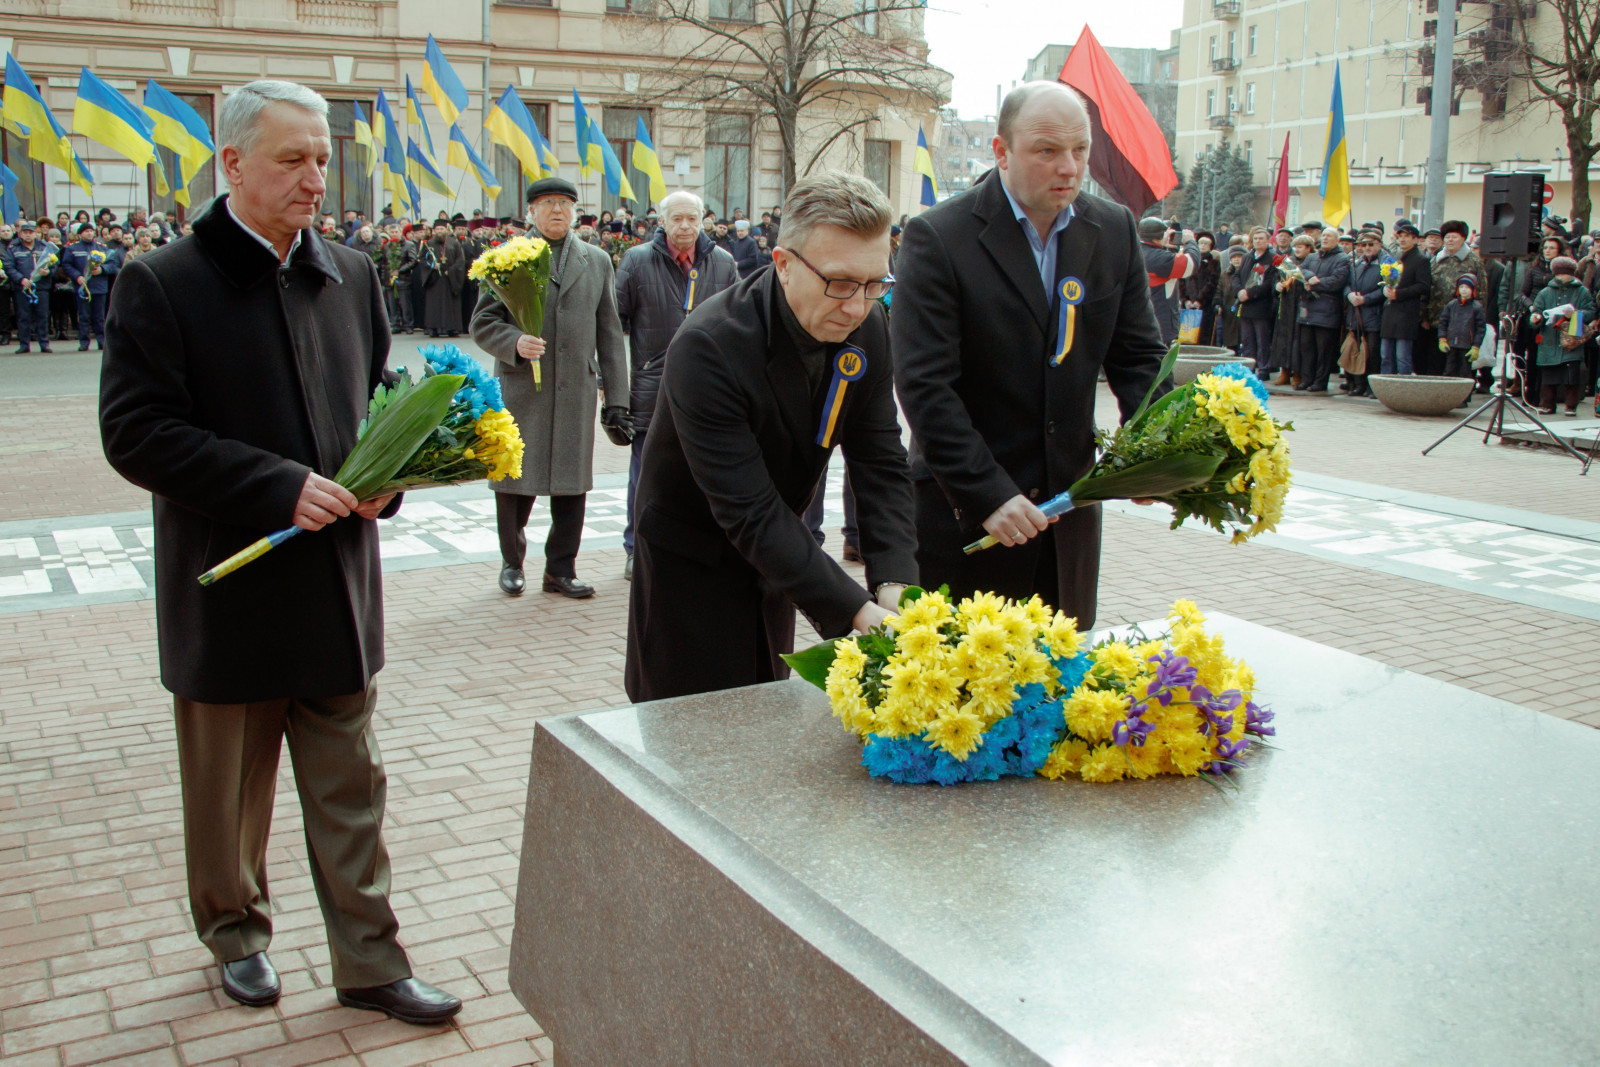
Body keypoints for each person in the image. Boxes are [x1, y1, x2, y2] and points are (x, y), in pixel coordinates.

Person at [98, 79, 460, 1026]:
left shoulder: (349, 270)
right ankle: (235, 933)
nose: (315, 178)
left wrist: (393, 472)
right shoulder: (164, 280)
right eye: (293, 158)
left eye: (323, 159)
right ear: (232, 163)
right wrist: (275, 485)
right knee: (230, 798)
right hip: (232, 587)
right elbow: (135, 432)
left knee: (352, 788)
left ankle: (370, 960)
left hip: (337, 584)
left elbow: (378, 394)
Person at [623, 171, 917, 702]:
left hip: (779, 553)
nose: (857, 306)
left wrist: (895, 582)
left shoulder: (867, 325)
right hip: (692, 566)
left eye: (876, 285)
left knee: (765, 702)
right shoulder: (709, 346)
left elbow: (881, 461)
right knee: (693, 728)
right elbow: (747, 509)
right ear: (783, 264)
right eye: (842, 283)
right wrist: (856, 609)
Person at [892, 81, 1168, 629]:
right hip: (969, 516)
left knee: (1061, 693)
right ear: (1002, 151)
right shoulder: (939, 237)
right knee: (963, 698)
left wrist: (1155, 455)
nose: (1069, 168)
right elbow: (925, 385)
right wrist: (987, 493)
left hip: (1069, 524)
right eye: (1047, 151)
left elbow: (1139, 356)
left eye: (1080, 150)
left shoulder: (1112, 230)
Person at [472, 177, 629, 599]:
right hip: (523, 388)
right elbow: (482, 323)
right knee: (513, 481)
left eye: (564, 203)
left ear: (575, 212)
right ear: (532, 213)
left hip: (575, 388)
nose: (557, 210)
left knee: (571, 485)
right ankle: (512, 563)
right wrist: (514, 344)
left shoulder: (596, 261)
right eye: (547, 203)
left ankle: (560, 569)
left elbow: (610, 333)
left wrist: (617, 400)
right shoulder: (507, 258)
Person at [613, 188, 739, 580]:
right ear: (661, 222)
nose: (685, 226)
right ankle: (637, 549)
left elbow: (739, 324)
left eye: (692, 218)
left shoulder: (723, 262)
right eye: (676, 219)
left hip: (708, 389)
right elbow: (612, 323)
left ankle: (695, 548)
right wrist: (610, 382)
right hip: (652, 387)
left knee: (705, 471)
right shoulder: (635, 261)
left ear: (703, 220)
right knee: (646, 473)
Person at [1528, 255, 1596, 415]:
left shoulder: (1582, 292)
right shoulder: (1545, 292)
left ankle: (1571, 405)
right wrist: (1536, 318)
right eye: (1558, 274)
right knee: (1549, 375)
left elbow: (1591, 312)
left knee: (1571, 375)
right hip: (1550, 338)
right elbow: (1537, 313)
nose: (1561, 277)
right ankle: (1547, 404)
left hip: (1572, 339)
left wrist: (1575, 314)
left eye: (1565, 273)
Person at [1420, 219, 1483, 375]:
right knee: (1435, 364)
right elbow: (1426, 289)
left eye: (1453, 237)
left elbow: (1481, 293)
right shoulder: (1435, 260)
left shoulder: (1473, 261)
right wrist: (1424, 317)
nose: (1449, 240)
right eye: (1447, 237)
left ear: (1463, 238)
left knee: (1458, 367)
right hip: (1437, 321)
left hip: (1463, 326)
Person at [1293, 226, 1350, 393]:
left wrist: (1317, 284)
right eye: (1323, 235)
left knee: (1323, 350)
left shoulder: (1342, 259)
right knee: (1307, 348)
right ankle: (1306, 379)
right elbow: (1301, 270)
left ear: (1337, 240)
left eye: (1329, 236)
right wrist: (1309, 279)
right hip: (1308, 310)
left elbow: (1337, 281)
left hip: (1327, 311)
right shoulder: (1311, 257)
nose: (1325, 239)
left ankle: (1320, 381)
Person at [1379, 220, 1431, 375]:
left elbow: (1423, 286)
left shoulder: (1421, 260)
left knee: (1402, 356)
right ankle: (1386, 387)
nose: (1402, 239)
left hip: (1406, 313)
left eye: (1407, 236)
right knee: (1386, 355)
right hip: (1390, 312)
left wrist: (1399, 294)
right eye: (1400, 236)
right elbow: (1387, 279)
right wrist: (1386, 289)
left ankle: (1403, 389)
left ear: (1415, 239)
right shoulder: (1395, 258)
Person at [1138, 216, 1198, 346]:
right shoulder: (1159, 258)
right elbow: (1191, 264)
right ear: (1156, 238)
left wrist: (1167, 246)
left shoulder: (1139, 251)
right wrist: (1190, 242)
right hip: (1160, 320)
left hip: (1142, 318)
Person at [1342, 230, 1386, 398]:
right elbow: (1346, 284)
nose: (1367, 248)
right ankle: (1358, 383)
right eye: (1364, 245)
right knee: (1354, 349)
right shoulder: (1357, 263)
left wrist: (1366, 299)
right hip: (1354, 313)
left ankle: (1371, 385)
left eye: (1371, 244)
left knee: (1372, 352)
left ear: (1379, 245)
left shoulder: (1385, 264)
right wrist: (1349, 294)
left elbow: (1384, 289)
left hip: (1372, 313)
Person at [61, 223, 117, 351]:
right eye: (86, 231)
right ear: (80, 234)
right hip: (82, 287)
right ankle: (84, 342)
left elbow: (112, 265)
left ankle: (102, 341)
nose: (89, 233)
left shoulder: (102, 249)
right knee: (84, 316)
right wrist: (77, 276)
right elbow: (67, 265)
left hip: (99, 286)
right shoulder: (72, 249)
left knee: (99, 317)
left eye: (91, 231)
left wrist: (102, 269)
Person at [4, 218, 55, 353]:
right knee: (23, 317)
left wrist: (48, 271)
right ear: (20, 234)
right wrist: (21, 279)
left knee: (42, 316)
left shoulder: (44, 247)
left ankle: (44, 343)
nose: (28, 235)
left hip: (41, 287)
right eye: (25, 232)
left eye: (30, 232)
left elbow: (54, 264)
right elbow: (9, 267)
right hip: (23, 288)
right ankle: (24, 344)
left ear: (35, 234)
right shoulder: (14, 249)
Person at [1268, 234, 1312, 384]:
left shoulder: (1311, 262)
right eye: (1296, 247)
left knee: (1297, 341)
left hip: (1301, 305)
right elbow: (1276, 278)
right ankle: (1284, 372)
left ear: (1308, 248)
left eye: (1300, 247)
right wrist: (1277, 286)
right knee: (1282, 340)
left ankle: (1297, 373)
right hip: (1286, 305)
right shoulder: (1288, 262)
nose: (1297, 250)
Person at [1236, 227, 1279, 378]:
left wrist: (1250, 293)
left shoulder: (1273, 259)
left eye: (1261, 238)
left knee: (1262, 340)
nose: (1258, 241)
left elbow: (1270, 283)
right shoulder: (1248, 257)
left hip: (1261, 306)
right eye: (1255, 238)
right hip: (1245, 305)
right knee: (1247, 340)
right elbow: (1237, 276)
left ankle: (1264, 369)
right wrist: (1240, 291)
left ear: (1268, 241)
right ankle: (1249, 367)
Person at [415, 220, 464, 337]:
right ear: (434, 231)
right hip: (435, 280)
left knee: (451, 305)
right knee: (434, 305)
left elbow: (460, 260)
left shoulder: (454, 243)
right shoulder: (428, 244)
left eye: (442, 229)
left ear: (446, 230)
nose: (439, 232)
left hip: (450, 279)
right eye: (437, 229)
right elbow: (422, 260)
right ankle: (434, 328)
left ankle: (452, 329)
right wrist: (432, 266)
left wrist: (451, 270)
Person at [1436, 274, 1487, 382]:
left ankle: (1465, 397)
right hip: (1451, 344)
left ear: (1472, 290)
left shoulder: (1476, 307)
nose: (1464, 290)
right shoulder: (1451, 305)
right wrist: (1442, 339)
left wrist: (1476, 346)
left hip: (1466, 345)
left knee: (1465, 373)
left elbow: (1481, 329)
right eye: (1461, 287)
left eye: (1467, 288)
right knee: (1449, 370)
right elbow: (1443, 322)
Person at [1182, 231, 1221, 345]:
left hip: (1204, 303)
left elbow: (1212, 283)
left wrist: (1200, 299)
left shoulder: (1213, 263)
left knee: (1203, 334)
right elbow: (1182, 281)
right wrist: (1185, 299)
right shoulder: (1190, 260)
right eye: (1201, 243)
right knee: (1187, 333)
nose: (1203, 246)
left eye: (1206, 244)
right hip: (1188, 301)